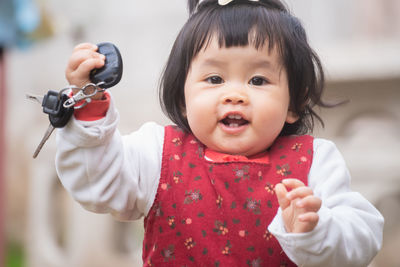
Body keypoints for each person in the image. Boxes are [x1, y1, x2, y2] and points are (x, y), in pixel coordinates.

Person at [56, 0, 384, 266]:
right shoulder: (157, 154)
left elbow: (363, 238)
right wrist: (89, 110)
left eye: (258, 80)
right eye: (214, 79)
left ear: (293, 105)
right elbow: (98, 185)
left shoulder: (314, 162)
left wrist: (316, 229)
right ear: (183, 98)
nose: (235, 94)